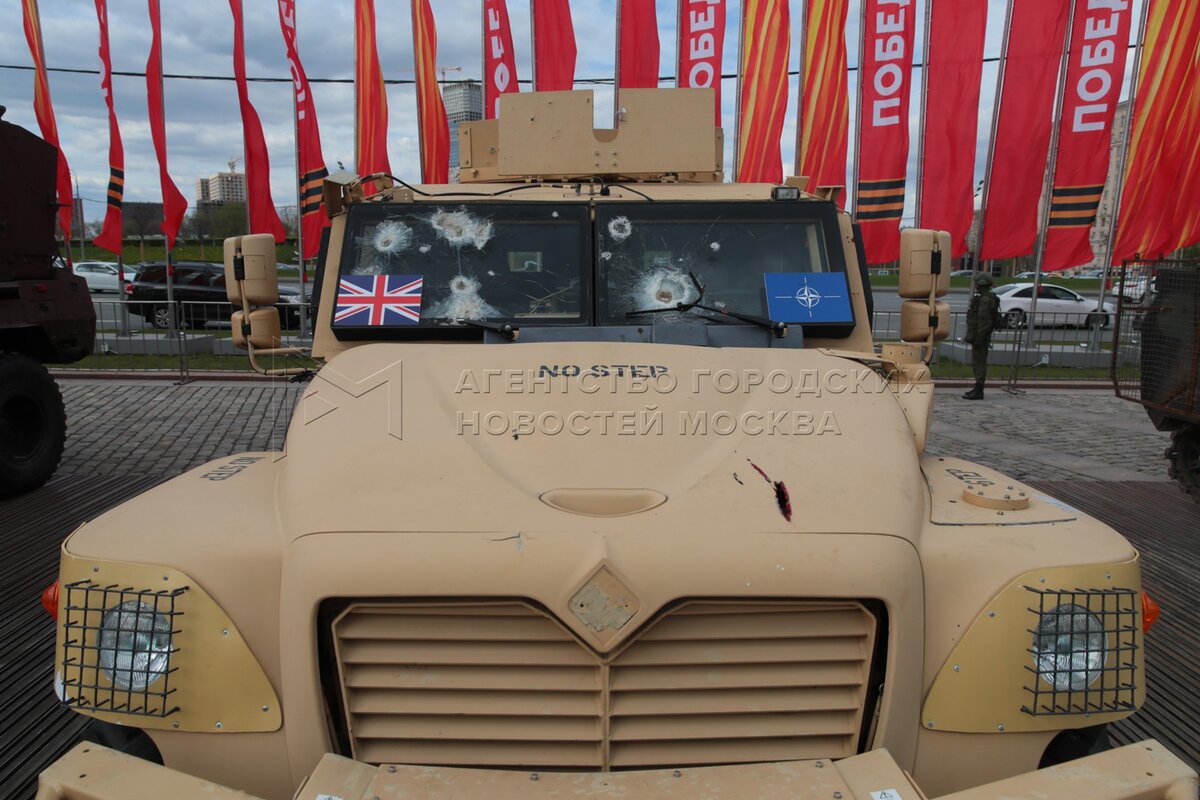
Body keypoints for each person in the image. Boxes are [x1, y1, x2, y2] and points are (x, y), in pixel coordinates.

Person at [963, 272, 999, 400]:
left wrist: (979, 337)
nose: (975, 284)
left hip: (981, 336)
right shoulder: (984, 297)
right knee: (977, 362)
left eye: (977, 282)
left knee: (979, 363)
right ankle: (978, 388)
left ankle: (979, 390)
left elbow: (984, 320)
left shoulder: (985, 299)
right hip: (980, 335)